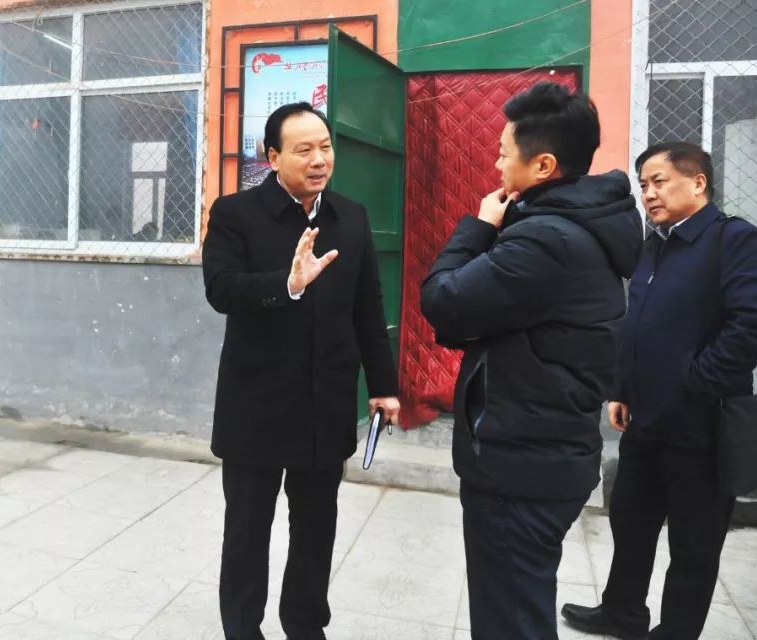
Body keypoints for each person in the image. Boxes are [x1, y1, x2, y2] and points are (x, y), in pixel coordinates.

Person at [419, 82, 642, 639]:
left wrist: (477, 228)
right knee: (519, 606)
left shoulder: (544, 241)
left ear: (542, 165)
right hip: (542, 453)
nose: (496, 164)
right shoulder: (572, 229)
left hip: (521, 466)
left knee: (510, 619)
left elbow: (442, 301)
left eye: (503, 153)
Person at [562, 142, 757, 640]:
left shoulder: (735, 241)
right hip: (645, 420)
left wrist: (695, 381)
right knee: (630, 522)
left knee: (694, 543)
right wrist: (622, 387)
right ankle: (622, 612)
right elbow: (637, 322)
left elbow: (755, 325)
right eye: (643, 184)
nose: (648, 193)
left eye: (659, 181)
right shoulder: (655, 244)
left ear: (698, 182)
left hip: (702, 425)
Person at [202, 102, 400, 640]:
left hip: (324, 403)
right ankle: (243, 629)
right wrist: (287, 285)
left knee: (316, 528)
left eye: (326, 147)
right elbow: (220, 290)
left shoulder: (350, 217)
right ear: (273, 157)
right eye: (304, 150)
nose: (319, 160)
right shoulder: (235, 214)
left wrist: (383, 386)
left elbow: (367, 306)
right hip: (257, 404)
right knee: (247, 531)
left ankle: (306, 625)